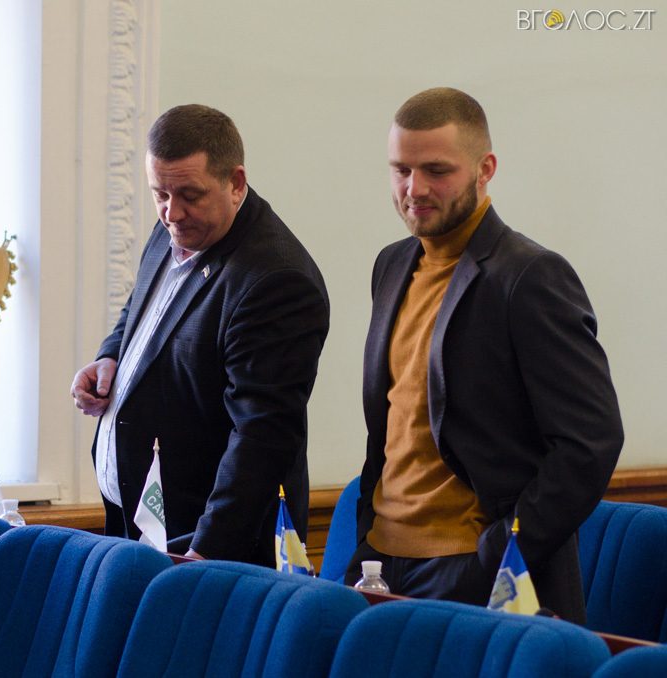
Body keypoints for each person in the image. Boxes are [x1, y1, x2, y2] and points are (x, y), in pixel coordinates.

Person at [346, 87, 623, 622]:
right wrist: (366, 536)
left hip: (475, 568)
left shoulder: (530, 275)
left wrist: (501, 548)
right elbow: (392, 424)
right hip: (379, 558)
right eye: (401, 170)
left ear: (485, 169)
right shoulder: (391, 265)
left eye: (436, 170)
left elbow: (591, 441)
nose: (414, 189)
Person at [70, 104, 329, 566]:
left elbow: (261, 436)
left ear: (236, 183)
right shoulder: (176, 226)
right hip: (142, 531)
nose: (172, 212)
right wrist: (111, 356)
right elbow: (144, 308)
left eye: (190, 195)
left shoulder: (275, 280)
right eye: (160, 194)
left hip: (208, 552)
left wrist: (206, 551)